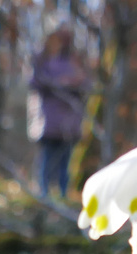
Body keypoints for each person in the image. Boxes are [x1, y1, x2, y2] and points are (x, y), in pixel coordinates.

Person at [28, 26, 87, 199]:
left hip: (69, 123)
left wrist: (71, 83)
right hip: (48, 121)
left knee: (65, 162)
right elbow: (35, 82)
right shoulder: (43, 61)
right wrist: (55, 84)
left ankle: (63, 195)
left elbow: (85, 83)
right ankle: (43, 194)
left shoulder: (75, 62)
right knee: (47, 159)